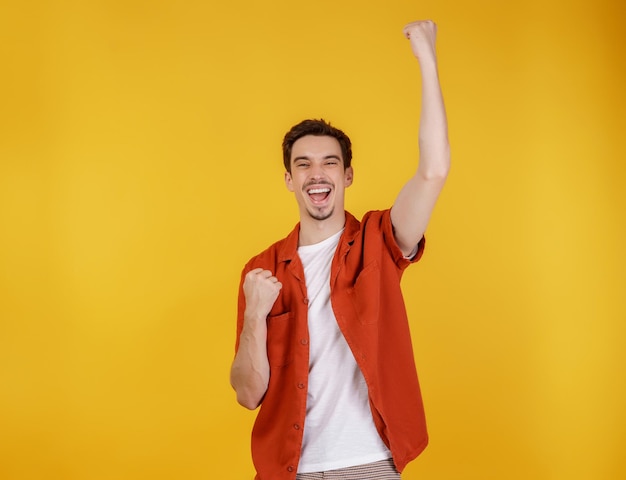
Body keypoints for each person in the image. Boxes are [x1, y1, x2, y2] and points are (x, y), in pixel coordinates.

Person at [230, 20, 450, 480]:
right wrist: (255, 313)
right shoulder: (261, 270)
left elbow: (433, 171)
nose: (317, 174)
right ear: (289, 180)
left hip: (368, 465)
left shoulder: (378, 241)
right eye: (303, 164)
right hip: (288, 470)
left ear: (347, 176)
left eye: (330, 163)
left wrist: (426, 59)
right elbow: (248, 393)